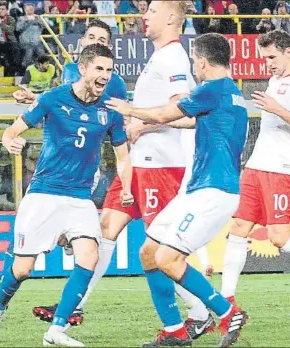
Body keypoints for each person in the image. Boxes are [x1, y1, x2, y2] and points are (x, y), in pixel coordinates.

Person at [33, 2, 215, 338]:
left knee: (158, 251)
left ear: (172, 17)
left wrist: (140, 125)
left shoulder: (173, 57)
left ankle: (201, 310)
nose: (143, 16)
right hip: (139, 164)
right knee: (105, 228)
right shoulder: (159, 56)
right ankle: (75, 306)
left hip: (161, 166)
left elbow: (190, 115)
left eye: (152, 11)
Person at [0, 43, 133, 347]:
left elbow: (123, 157)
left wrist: (127, 186)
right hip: (44, 193)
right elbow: (12, 131)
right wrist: (9, 141)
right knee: (22, 269)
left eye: (109, 70)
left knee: (90, 256)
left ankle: (57, 330)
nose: (105, 75)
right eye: (99, 69)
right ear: (83, 68)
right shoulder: (52, 99)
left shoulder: (110, 111)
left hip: (79, 197)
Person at [106, 32, 249, 347]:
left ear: (201, 61)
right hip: (202, 189)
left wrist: (128, 109)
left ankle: (226, 313)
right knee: (149, 253)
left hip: (213, 191)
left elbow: (162, 113)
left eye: (194, 61)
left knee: (169, 259)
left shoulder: (212, 89)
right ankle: (175, 331)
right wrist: (152, 124)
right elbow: (187, 122)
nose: (193, 68)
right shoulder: (232, 94)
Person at [221, 30, 290, 308]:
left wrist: (277, 109)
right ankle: (225, 302)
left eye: (272, 57)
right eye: (265, 58)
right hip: (257, 166)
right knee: (237, 227)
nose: (268, 63)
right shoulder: (275, 81)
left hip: (281, 169)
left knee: (277, 238)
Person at [13, 19, 127, 104]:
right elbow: (65, 101)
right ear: (82, 41)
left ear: (109, 47)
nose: (95, 43)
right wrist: (34, 98)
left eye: (101, 40)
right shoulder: (69, 70)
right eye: (91, 38)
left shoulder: (116, 82)